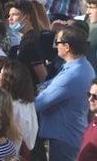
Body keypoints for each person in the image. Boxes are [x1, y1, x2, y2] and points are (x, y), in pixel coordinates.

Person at [36, 25, 96, 161]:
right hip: (71, 133)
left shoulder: (71, 75)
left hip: (64, 138)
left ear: (67, 47)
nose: (55, 46)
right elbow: (47, 87)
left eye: (57, 43)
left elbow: (39, 103)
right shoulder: (82, 66)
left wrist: (42, 92)